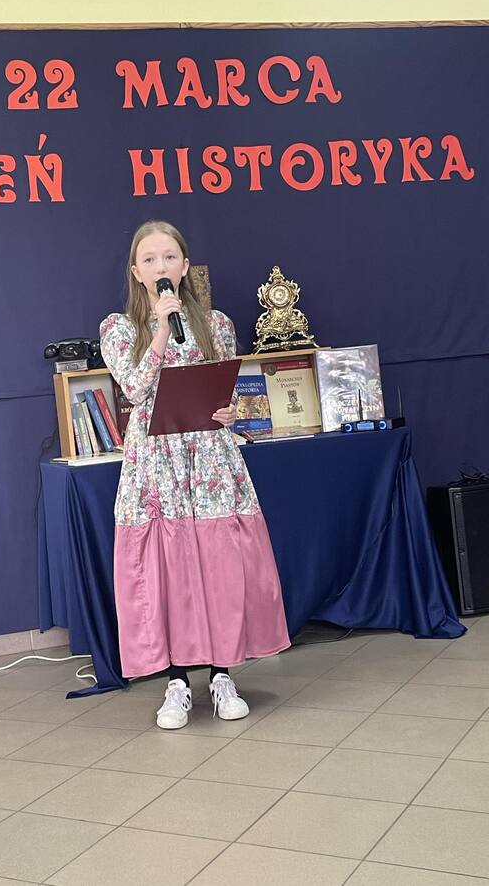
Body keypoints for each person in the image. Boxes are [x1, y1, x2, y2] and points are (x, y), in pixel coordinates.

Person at [99, 220, 290, 729]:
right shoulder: (119, 329)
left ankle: (222, 674)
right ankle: (177, 682)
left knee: (218, 566)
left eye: (169, 258)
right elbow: (135, 389)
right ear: (136, 272)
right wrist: (161, 329)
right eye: (150, 260)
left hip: (209, 460)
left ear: (184, 267)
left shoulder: (216, 324)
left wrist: (228, 411)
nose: (160, 267)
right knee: (171, 570)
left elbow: (224, 390)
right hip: (156, 464)